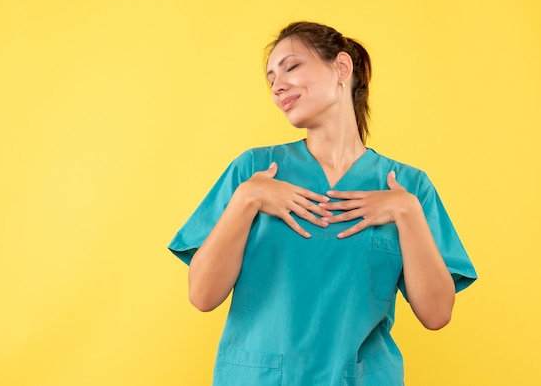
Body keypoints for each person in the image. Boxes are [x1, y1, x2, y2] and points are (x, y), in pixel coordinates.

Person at [167, 21, 477, 385]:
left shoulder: (408, 188)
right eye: (271, 79)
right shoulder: (254, 171)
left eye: (292, 66)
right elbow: (202, 296)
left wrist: (406, 213)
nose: (277, 85)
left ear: (341, 68)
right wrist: (246, 199)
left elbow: (437, 314)